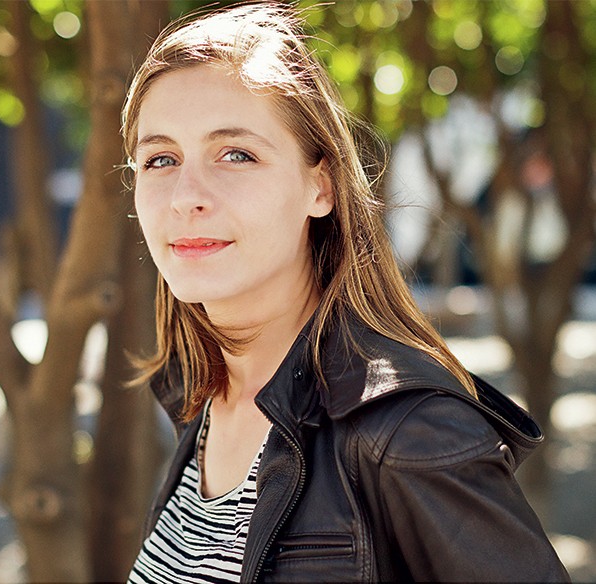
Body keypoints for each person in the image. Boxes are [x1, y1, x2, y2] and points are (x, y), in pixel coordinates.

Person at [122, 3, 569, 582]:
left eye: (236, 154)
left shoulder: (407, 432)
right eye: (160, 159)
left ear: (321, 187)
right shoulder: (201, 395)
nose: (186, 195)